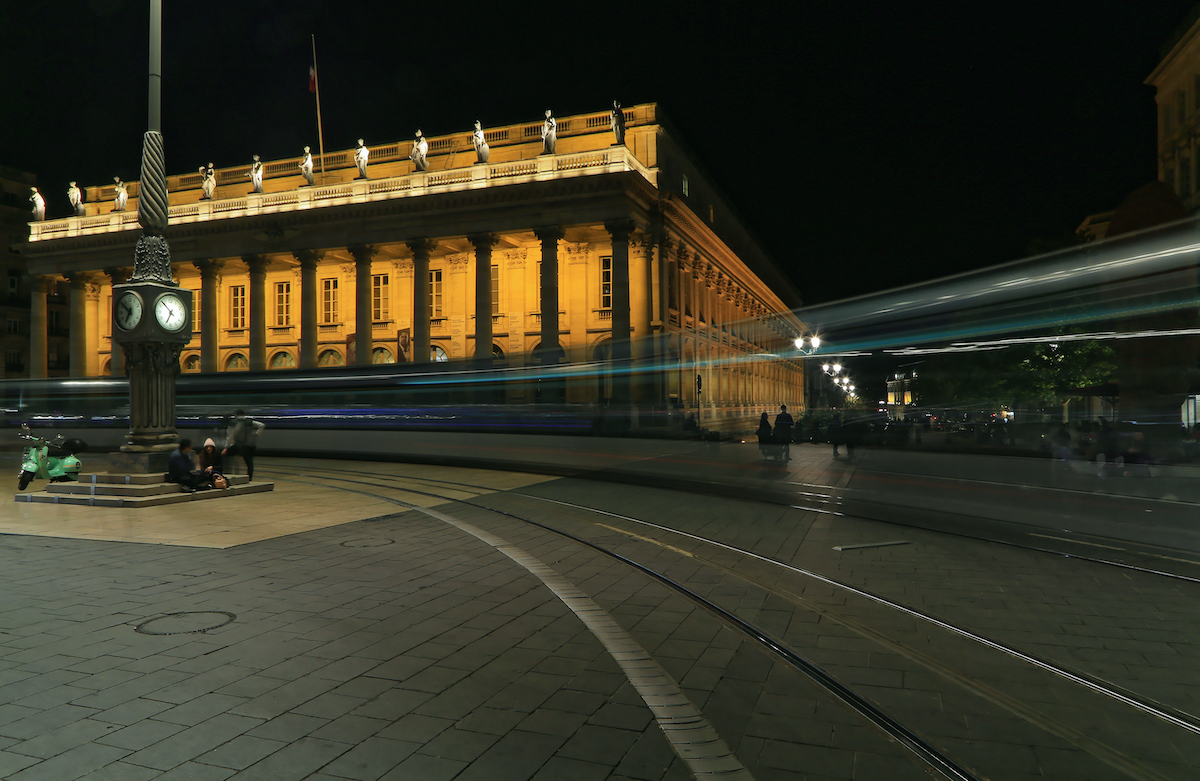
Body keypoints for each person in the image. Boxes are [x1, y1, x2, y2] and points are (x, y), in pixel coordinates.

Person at [223, 409, 265, 481]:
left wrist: (226, 447)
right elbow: (261, 425)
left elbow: (230, 437)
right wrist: (256, 434)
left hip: (237, 445)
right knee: (249, 463)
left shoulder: (233, 423)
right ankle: (249, 478)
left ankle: (228, 474)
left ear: (236, 415)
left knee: (225, 456)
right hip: (248, 446)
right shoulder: (249, 422)